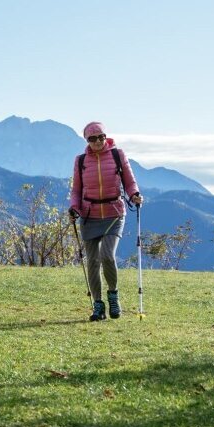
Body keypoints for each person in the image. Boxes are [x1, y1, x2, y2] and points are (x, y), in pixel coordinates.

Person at [67, 121, 143, 321]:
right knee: (92, 261)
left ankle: (113, 295)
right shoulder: (81, 160)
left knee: (107, 255)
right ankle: (98, 306)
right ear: (87, 141)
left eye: (101, 137)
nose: (98, 141)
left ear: (105, 137)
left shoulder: (118, 155)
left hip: (114, 212)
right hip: (89, 214)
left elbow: (129, 181)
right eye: (93, 138)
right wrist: (74, 207)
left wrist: (135, 194)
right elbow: (76, 190)